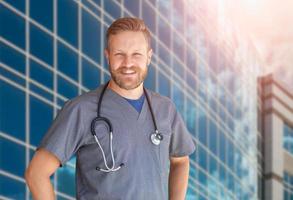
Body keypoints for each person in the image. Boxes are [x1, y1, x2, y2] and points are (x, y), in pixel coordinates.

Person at [25, 17, 196, 200]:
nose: (128, 63)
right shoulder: (81, 110)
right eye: (119, 54)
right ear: (108, 56)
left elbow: (180, 161)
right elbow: (36, 174)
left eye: (136, 54)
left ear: (149, 56)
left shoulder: (165, 109)